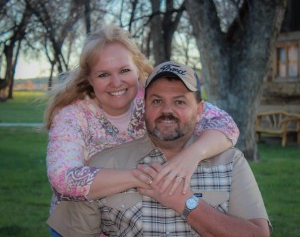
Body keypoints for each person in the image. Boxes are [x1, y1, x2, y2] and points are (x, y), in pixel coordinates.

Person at [45, 26, 239, 235]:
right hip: (83, 224)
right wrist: (140, 177)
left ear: (138, 69)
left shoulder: (153, 99)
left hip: (135, 219)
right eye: (103, 74)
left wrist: (192, 155)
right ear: (90, 79)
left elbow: (225, 124)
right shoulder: (73, 116)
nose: (116, 82)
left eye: (124, 70)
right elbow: (64, 178)